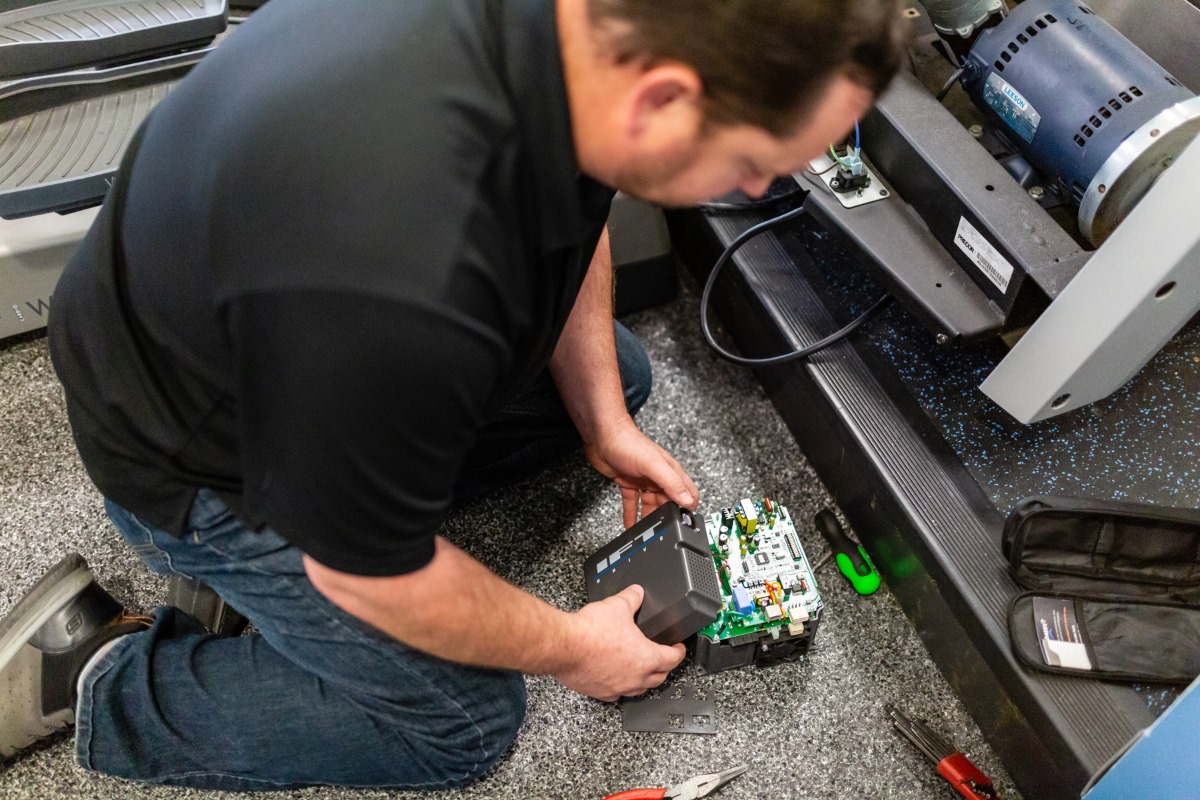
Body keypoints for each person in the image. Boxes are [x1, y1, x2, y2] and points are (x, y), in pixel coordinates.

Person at [0, 0, 906, 789]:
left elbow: (582, 207)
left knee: (617, 374)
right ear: (662, 99)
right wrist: (577, 646)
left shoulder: (580, 45)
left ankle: (302, 561)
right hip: (193, 465)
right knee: (465, 721)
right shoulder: (398, 269)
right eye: (754, 160)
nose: (757, 188)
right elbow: (368, 575)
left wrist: (603, 419)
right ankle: (94, 673)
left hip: (259, 340)